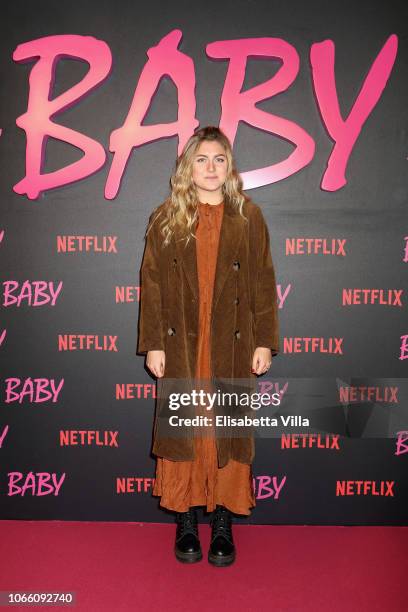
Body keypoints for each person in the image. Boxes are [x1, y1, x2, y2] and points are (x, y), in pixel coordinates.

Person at [137, 126, 279, 566]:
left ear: (229, 166)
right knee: (186, 427)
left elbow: (262, 281)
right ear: (187, 167)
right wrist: (154, 343)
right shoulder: (166, 216)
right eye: (202, 159)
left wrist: (264, 341)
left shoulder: (249, 216)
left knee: (226, 430)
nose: (211, 168)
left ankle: (221, 519)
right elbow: (153, 283)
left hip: (231, 342)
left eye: (219, 159)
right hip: (183, 342)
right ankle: (185, 518)